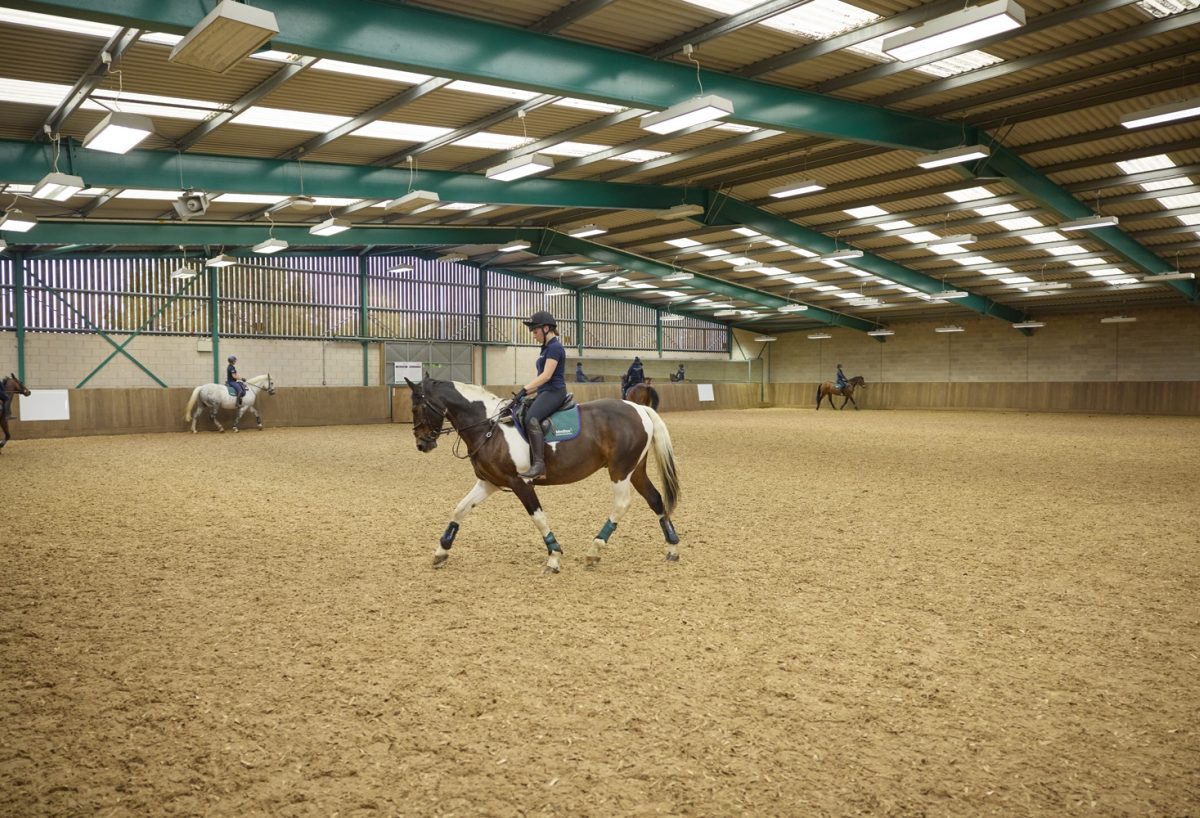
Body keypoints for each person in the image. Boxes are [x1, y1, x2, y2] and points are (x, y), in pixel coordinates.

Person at [512, 311, 566, 479]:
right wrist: (524, 393)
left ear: (546, 328)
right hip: (545, 391)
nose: (533, 335)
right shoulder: (545, 349)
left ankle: (539, 465)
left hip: (555, 391)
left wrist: (524, 388)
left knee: (531, 418)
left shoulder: (555, 348)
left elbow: (546, 376)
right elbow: (541, 380)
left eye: (535, 331)